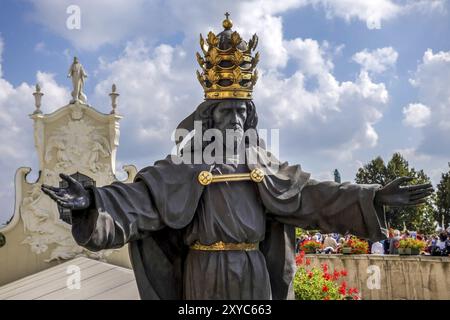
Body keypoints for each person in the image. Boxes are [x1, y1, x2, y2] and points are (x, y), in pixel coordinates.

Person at [41, 15, 433, 300]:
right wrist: (93, 202)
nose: (236, 119)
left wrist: (371, 196)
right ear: (209, 118)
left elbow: (314, 195)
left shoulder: (264, 166)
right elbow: (137, 201)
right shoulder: (182, 168)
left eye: (243, 113)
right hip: (203, 276)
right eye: (228, 112)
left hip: (253, 272)